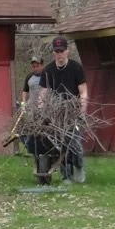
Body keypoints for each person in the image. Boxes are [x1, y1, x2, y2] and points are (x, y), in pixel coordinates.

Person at [39, 36, 89, 183]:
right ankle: (66, 175)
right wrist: (42, 111)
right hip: (56, 113)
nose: (59, 54)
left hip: (73, 111)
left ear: (68, 51)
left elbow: (83, 92)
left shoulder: (76, 68)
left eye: (62, 51)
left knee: (76, 144)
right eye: (57, 51)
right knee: (61, 145)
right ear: (53, 53)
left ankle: (79, 168)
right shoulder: (48, 70)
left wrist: (82, 111)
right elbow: (43, 94)